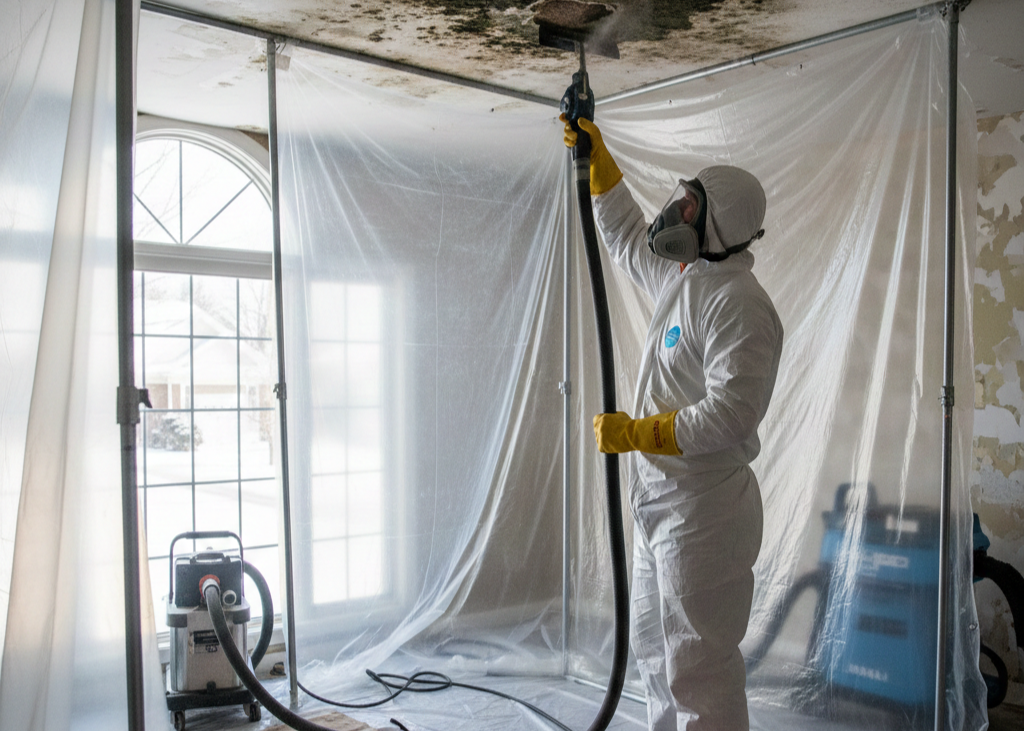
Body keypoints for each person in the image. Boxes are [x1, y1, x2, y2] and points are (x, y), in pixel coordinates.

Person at [561, 114, 784, 731]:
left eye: (688, 205)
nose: (673, 212)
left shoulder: (740, 305)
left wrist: (639, 433)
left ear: (717, 221)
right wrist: (600, 164)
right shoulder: (685, 277)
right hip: (659, 503)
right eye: (680, 199)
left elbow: (731, 413)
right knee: (657, 655)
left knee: (699, 668)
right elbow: (626, 237)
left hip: (704, 514)